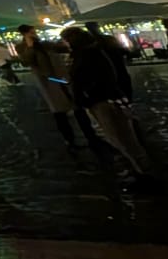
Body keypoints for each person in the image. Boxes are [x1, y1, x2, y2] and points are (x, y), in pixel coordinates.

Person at [61, 25, 149, 181]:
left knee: (119, 136)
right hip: (103, 98)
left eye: (66, 40)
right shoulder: (91, 52)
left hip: (102, 100)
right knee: (121, 137)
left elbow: (96, 77)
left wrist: (85, 92)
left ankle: (143, 172)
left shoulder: (88, 55)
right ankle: (138, 169)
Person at [15, 23, 93, 147]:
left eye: (34, 32)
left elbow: (61, 48)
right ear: (25, 34)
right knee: (59, 111)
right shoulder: (22, 47)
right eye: (32, 33)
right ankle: (69, 139)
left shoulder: (44, 44)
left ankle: (90, 136)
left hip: (62, 77)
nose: (35, 35)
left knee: (77, 106)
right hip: (49, 81)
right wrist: (30, 46)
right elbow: (26, 61)